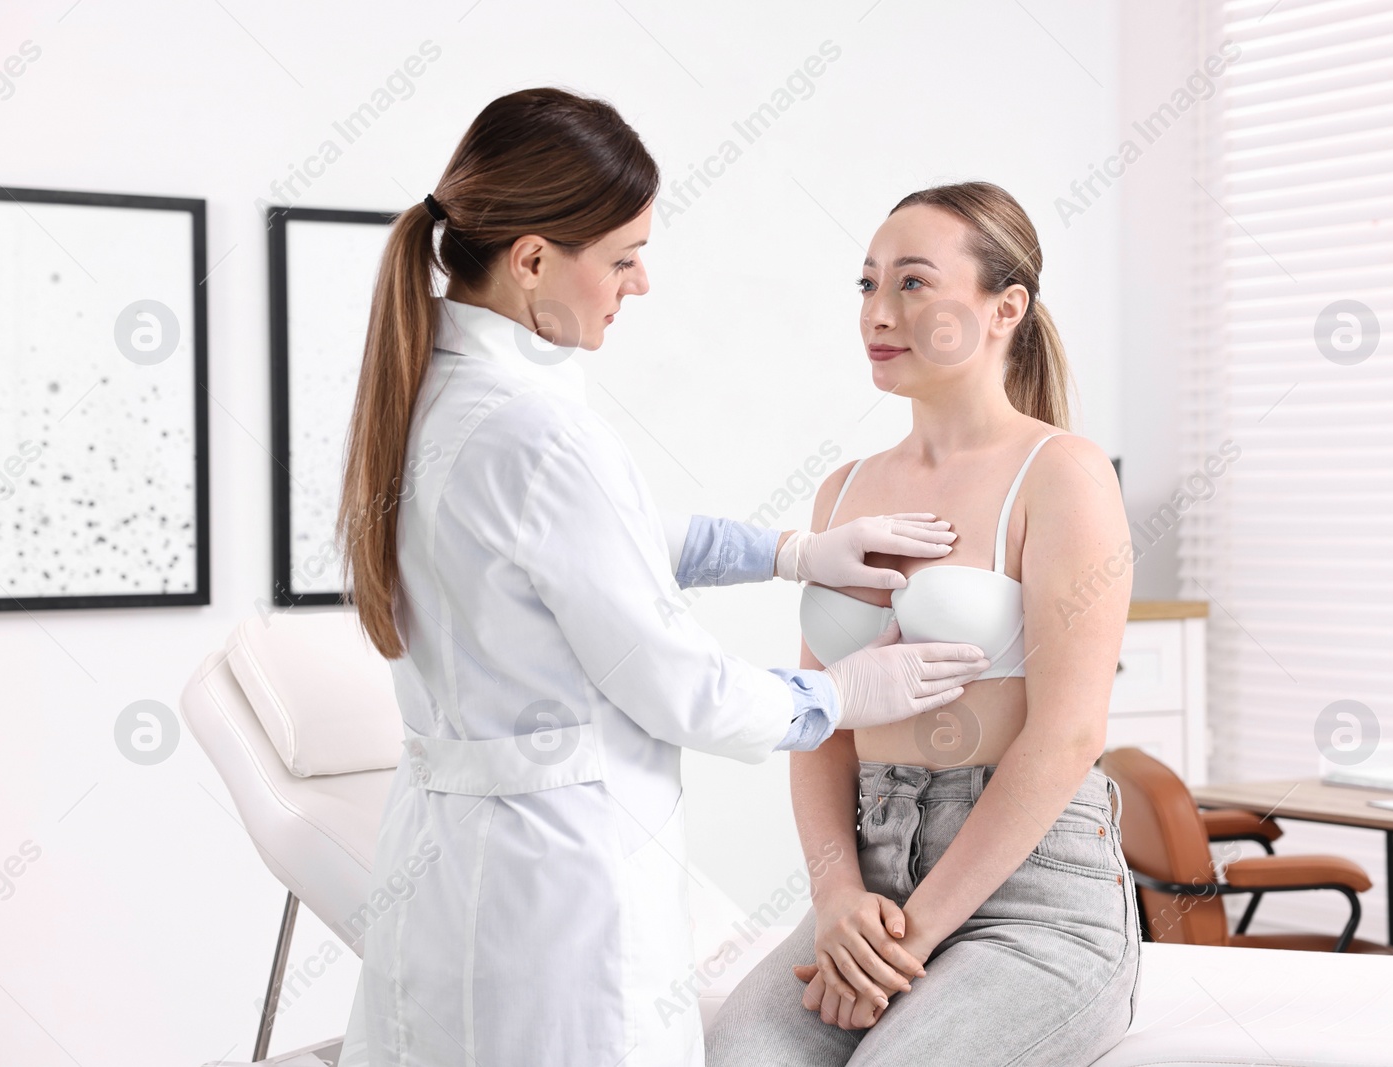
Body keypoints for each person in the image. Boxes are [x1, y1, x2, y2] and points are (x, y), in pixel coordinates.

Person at [331, 88, 992, 1067]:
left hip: (446, 870)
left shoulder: (435, 390)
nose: (638, 284)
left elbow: (585, 550)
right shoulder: (540, 434)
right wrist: (840, 695)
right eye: (623, 257)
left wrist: (790, 553)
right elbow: (686, 691)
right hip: (554, 896)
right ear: (531, 262)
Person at [705, 182, 1141, 1066]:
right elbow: (821, 722)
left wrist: (911, 939)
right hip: (872, 873)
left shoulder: (1063, 473)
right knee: (741, 1053)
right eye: (866, 285)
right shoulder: (846, 487)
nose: (878, 311)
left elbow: (1067, 736)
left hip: (1033, 896)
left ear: (1003, 308)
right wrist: (835, 898)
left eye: (911, 283)